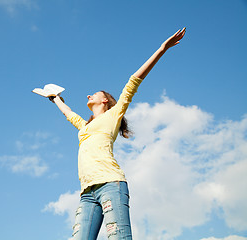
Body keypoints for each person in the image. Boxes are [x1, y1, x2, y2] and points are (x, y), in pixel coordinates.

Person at [49, 28, 186, 240]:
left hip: (111, 185)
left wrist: (162, 49)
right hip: (87, 194)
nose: (88, 94)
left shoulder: (113, 115)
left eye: (94, 93)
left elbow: (134, 81)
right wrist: (54, 97)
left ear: (105, 100)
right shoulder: (84, 127)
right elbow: (69, 114)